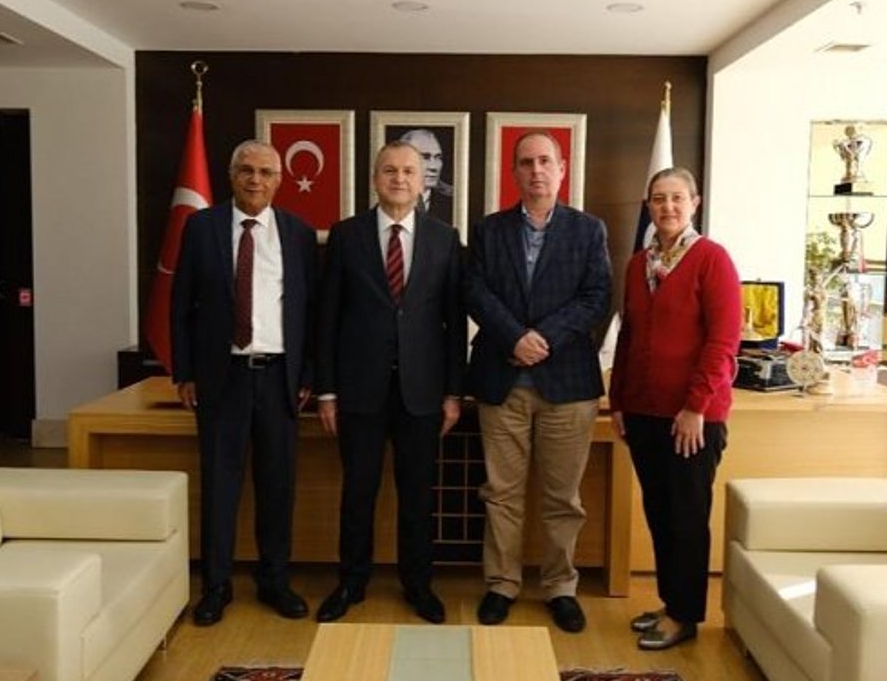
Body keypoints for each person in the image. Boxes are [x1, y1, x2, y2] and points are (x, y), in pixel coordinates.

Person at [314, 141, 466, 624]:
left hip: (422, 392)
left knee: (418, 496)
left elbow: (454, 322)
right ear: (374, 178)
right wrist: (327, 390)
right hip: (359, 390)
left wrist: (453, 393)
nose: (399, 178)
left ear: (422, 182)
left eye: (408, 171)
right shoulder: (346, 235)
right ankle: (351, 582)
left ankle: (418, 585)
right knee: (358, 493)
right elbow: (327, 318)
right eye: (389, 170)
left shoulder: (445, 238)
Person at [466, 131, 611, 634]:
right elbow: (474, 291)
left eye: (545, 161)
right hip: (502, 380)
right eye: (526, 163)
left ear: (562, 168)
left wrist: (542, 338)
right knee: (500, 493)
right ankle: (502, 583)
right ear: (514, 172)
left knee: (562, 498)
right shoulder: (489, 230)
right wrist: (514, 336)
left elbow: (597, 296)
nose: (536, 171)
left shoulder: (588, 230)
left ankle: (559, 587)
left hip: (567, 385)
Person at [171, 139, 318, 627]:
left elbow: (311, 311)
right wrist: (184, 372)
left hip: (279, 378)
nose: (256, 180)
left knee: (277, 485)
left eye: (265, 172)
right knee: (220, 485)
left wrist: (308, 372)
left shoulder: (298, 234)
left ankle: (274, 581)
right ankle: (216, 586)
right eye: (246, 171)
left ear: (279, 180)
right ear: (231, 175)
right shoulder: (202, 227)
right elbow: (181, 304)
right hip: (222, 378)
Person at [608, 167, 742, 650]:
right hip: (643, 412)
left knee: (686, 517)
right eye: (659, 199)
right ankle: (671, 603)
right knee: (661, 514)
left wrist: (695, 406)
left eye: (677, 198)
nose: (667, 207)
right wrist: (618, 401)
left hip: (693, 418)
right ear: (648, 206)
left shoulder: (712, 259)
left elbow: (724, 341)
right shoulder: (639, 264)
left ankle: (685, 616)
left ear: (694, 203)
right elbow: (627, 336)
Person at [399, 128, 453, 219]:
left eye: (438, 157)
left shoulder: (453, 203)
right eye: (425, 157)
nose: (434, 167)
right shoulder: (387, 198)